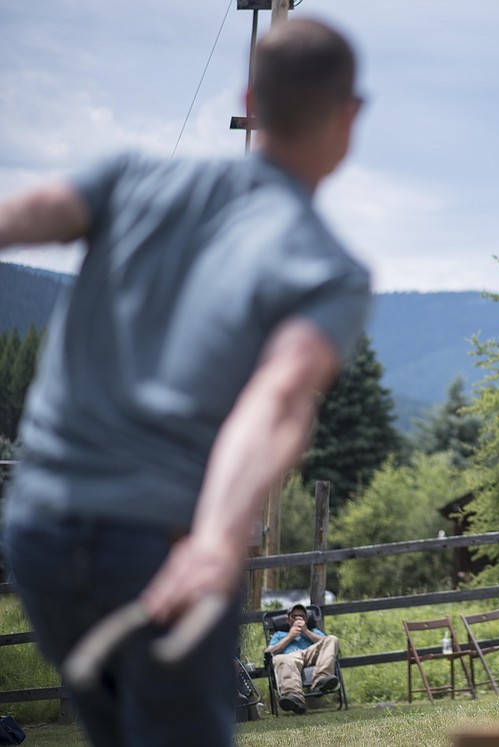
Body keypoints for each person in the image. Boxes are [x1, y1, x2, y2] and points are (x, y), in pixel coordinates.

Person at [0, 18, 369, 746]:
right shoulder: (325, 266)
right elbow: (277, 399)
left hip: (37, 530)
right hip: (157, 544)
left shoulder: (131, 177)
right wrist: (215, 538)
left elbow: (27, 212)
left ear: (249, 96)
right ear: (349, 116)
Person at [265, 603, 340, 713]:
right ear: (287, 619)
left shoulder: (313, 631)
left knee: (332, 639)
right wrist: (290, 637)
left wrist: (307, 632)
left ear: (307, 618)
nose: (298, 618)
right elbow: (269, 652)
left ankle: (321, 680)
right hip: (290, 657)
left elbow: (327, 644)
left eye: (302, 616)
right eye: (294, 616)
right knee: (281, 658)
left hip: (311, 654)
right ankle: (294, 697)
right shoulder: (279, 634)